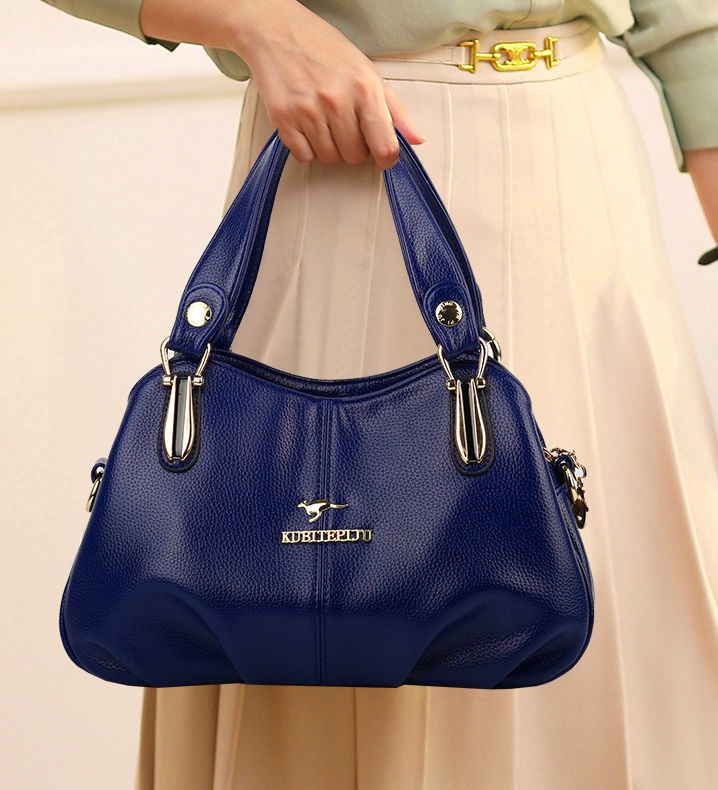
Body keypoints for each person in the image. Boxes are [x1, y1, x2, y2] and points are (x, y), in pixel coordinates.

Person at [42, 1, 718, 788]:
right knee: (325, 610)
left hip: (586, 175)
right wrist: (259, 22)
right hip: (343, 147)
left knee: (621, 638)